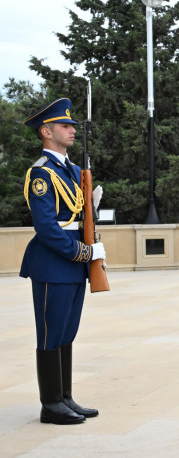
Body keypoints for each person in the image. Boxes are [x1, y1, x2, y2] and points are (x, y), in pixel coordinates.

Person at [21, 98, 106, 425]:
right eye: (64, 126)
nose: (72, 130)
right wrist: (85, 253)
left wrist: (92, 208)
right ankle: (50, 404)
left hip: (73, 262)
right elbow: (45, 227)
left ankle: (65, 398)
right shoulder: (41, 173)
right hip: (53, 261)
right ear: (46, 131)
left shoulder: (72, 170)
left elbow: (78, 215)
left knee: (67, 331)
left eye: (72, 125)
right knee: (50, 333)